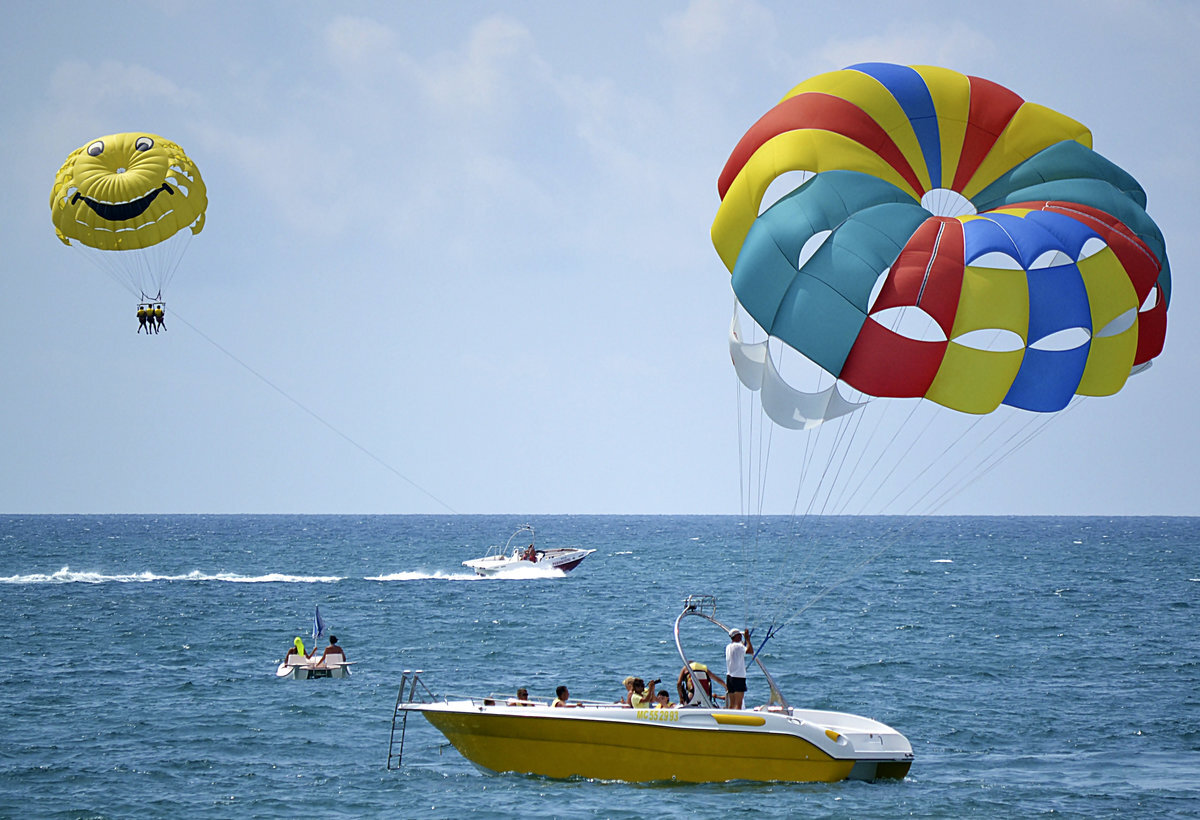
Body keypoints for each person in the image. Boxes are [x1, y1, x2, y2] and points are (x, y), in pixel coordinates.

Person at [725, 627, 753, 710]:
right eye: (740, 635)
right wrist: (748, 639)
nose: (741, 637)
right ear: (736, 636)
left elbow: (741, 649)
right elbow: (750, 651)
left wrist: (745, 640)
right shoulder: (738, 646)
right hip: (738, 678)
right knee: (738, 704)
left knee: (732, 704)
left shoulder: (728, 647)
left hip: (729, 677)